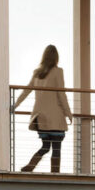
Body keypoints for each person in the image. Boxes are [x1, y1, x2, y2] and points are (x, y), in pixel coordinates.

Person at [13, 44, 73, 173]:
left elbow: (27, 90)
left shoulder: (37, 72)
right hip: (55, 116)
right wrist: (68, 113)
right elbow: (61, 94)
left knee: (45, 146)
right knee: (56, 148)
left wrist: (15, 105)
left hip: (41, 117)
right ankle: (55, 173)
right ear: (56, 57)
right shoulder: (58, 71)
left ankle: (29, 166)